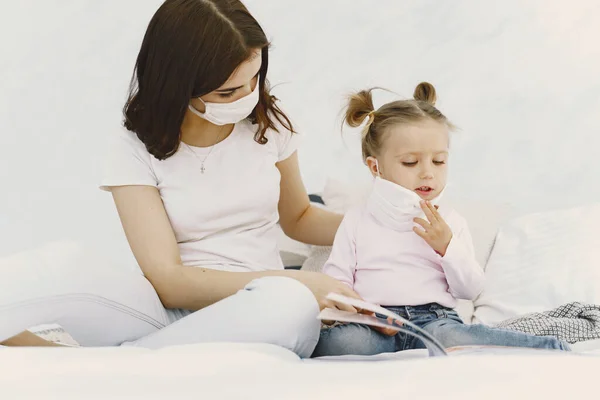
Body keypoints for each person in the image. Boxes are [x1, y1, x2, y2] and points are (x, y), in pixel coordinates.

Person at [0, 0, 361, 358]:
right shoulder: (135, 146)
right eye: (228, 92)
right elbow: (168, 282)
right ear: (179, 84)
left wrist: (380, 225)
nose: (249, 98)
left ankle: (104, 360)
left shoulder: (270, 125)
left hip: (253, 307)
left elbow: (299, 218)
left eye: (255, 79)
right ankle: (138, 354)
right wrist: (298, 280)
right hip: (163, 311)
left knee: (292, 309)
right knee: (64, 264)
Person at [311, 82, 571, 357]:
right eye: (411, 162)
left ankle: (548, 349)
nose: (427, 173)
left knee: (455, 337)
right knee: (342, 343)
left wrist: (447, 247)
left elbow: (470, 289)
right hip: (376, 324)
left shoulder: (450, 221)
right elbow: (336, 281)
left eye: (438, 161)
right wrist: (354, 309)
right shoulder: (357, 220)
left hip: (433, 320)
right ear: (376, 167)